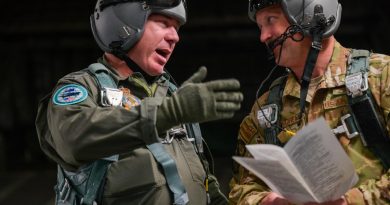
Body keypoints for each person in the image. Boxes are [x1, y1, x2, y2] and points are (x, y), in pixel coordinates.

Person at [35, 0, 244, 204]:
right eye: (163, 23)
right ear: (123, 25)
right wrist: (165, 114)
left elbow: (205, 184)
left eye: (177, 28)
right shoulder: (83, 88)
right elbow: (73, 140)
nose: (175, 37)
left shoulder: (171, 95)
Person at [229, 0, 390, 204]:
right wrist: (268, 201)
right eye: (260, 26)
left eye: (271, 20)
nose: (264, 37)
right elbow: (241, 189)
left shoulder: (381, 78)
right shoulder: (268, 108)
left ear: (311, 16)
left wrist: (351, 201)